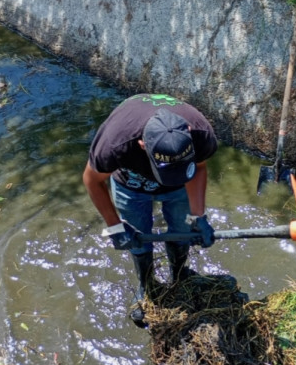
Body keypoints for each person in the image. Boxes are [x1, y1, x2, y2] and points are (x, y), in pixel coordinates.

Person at [83, 93, 218, 328]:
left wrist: (198, 217)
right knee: (137, 237)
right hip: (131, 186)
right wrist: (115, 226)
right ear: (143, 145)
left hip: (180, 188)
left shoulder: (200, 133)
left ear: (187, 131)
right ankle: (147, 284)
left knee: (181, 229)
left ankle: (179, 275)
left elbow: (200, 168)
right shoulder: (116, 142)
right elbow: (92, 180)